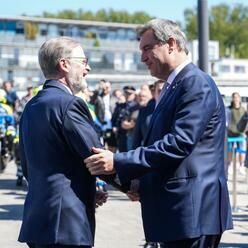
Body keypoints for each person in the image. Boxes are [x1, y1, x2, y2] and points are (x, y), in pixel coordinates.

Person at [85, 18, 233, 247]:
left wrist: (118, 161)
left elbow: (178, 144)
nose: (142, 58)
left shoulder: (195, 83)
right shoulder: (176, 85)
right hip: (180, 213)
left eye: (147, 49)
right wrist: (141, 183)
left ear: (171, 44)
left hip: (193, 212)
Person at [18, 37, 107, 248]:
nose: (88, 68)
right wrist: (134, 185)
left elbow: (30, 167)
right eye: (83, 61)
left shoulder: (31, 106)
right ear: (64, 64)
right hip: (65, 224)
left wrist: (84, 188)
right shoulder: (69, 104)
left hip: (38, 221)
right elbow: (97, 156)